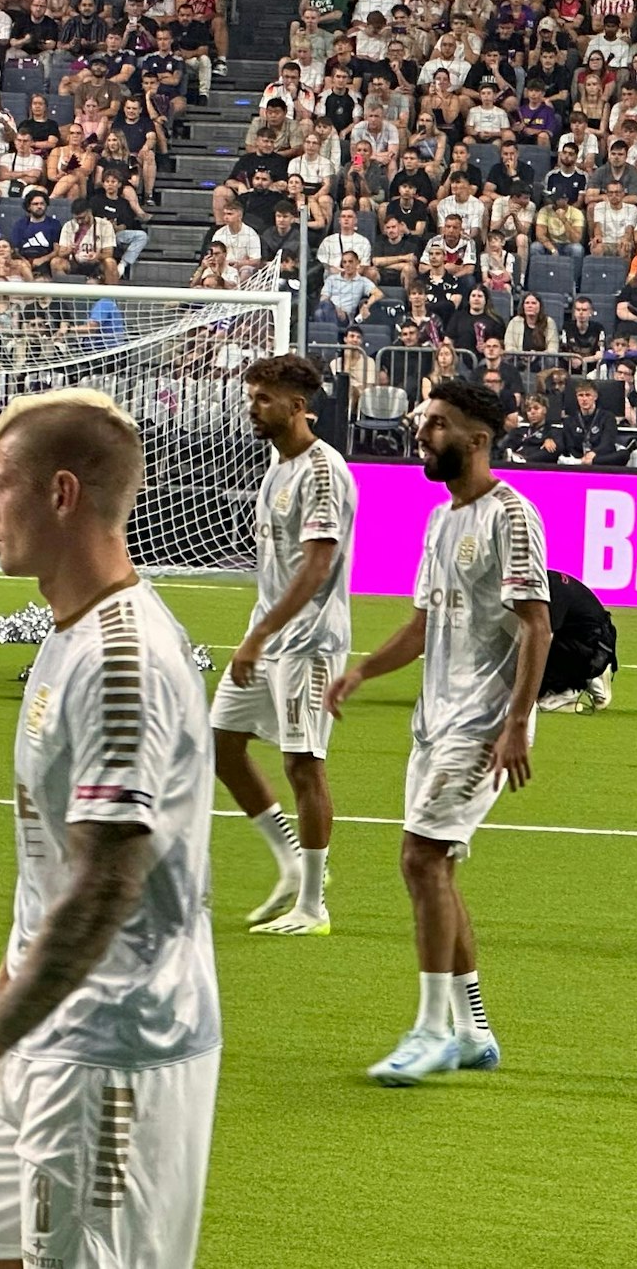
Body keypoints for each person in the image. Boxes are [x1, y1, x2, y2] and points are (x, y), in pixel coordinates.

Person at [0, 388, 218, 1269]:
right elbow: (50, 878)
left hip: (112, 1049)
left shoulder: (121, 661)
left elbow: (104, 886)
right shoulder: (67, 636)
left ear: (59, 494)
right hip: (40, 1033)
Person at [328, 381, 550, 1085]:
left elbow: (536, 626)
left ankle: (429, 1032)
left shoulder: (511, 515)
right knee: (436, 867)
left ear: (477, 439)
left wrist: (515, 725)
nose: (421, 432)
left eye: (437, 424)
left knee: (420, 860)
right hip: (434, 720)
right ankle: (474, 1029)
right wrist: (362, 672)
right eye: (424, 420)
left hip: (483, 724)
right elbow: (424, 626)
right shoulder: (441, 519)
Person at [208, 355, 357, 937]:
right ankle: (291, 861)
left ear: (297, 407)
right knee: (222, 745)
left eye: (263, 399)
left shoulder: (323, 472)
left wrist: (259, 635)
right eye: (252, 396)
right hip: (269, 636)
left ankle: (314, 904)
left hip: (309, 643)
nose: (253, 407)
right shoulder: (278, 466)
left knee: (303, 764)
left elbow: (317, 569)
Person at [537, 570, 617, 714]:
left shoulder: (552, 592)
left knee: (535, 646)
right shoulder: (549, 581)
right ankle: (588, 679)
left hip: (593, 651)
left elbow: (544, 637)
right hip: (591, 643)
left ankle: (565, 694)